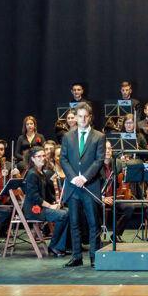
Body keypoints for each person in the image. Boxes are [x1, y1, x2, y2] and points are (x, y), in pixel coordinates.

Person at [59, 102, 105, 267]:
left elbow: (99, 160)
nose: (83, 119)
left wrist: (84, 178)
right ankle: (77, 257)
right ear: (76, 118)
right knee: (75, 223)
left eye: (86, 116)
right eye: (80, 116)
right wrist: (73, 177)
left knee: (94, 224)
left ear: (90, 117)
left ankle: (94, 257)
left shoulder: (99, 136)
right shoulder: (67, 136)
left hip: (90, 185)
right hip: (73, 187)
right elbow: (63, 158)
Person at [23, 147, 70, 257]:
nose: (42, 158)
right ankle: (54, 245)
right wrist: (50, 206)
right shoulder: (32, 174)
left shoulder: (40, 172)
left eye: (44, 156)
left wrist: (55, 203)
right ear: (32, 159)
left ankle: (59, 245)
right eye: (39, 156)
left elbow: (46, 193)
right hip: (34, 210)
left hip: (41, 207)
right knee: (63, 215)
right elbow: (35, 197)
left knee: (68, 212)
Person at [100, 141, 136, 241]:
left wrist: (126, 171)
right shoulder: (96, 165)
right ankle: (95, 237)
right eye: (105, 149)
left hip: (115, 197)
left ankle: (116, 234)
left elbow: (124, 178)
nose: (107, 151)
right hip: (100, 199)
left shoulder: (117, 163)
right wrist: (102, 198)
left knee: (130, 207)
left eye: (109, 148)